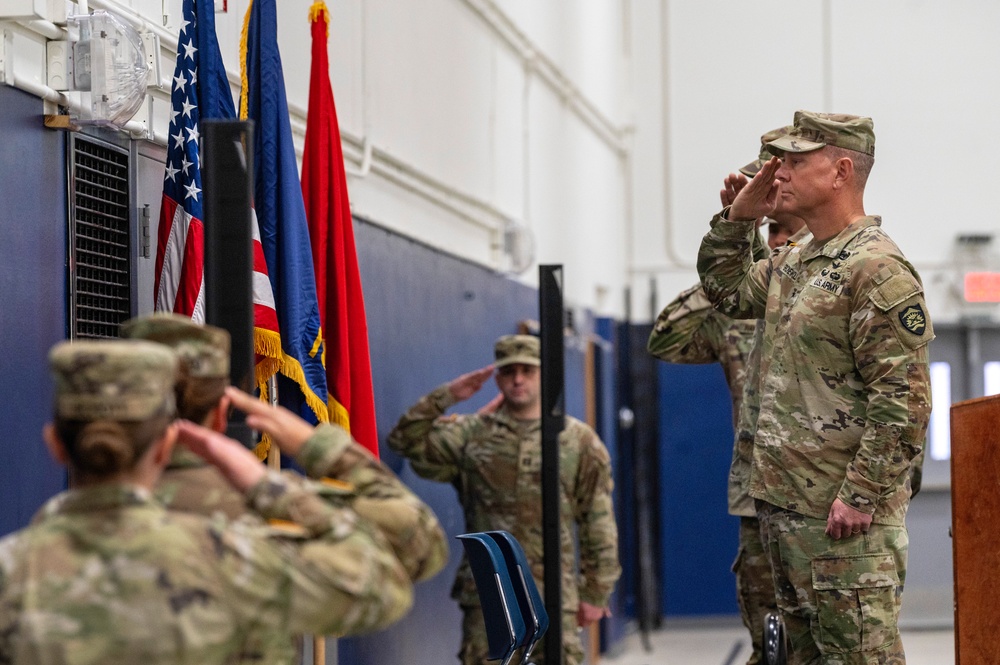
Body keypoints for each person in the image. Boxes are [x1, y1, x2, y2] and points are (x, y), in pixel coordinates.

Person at [0, 339, 413, 664]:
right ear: (165, 446)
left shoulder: (11, 570)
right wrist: (269, 486)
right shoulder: (228, 557)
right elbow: (382, 585)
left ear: (55, 444)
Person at [698, 111, 933, 664]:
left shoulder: (876, 269)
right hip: (786, 512)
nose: (777, 172)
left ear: (840, 172)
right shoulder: (796, 260)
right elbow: (726, 291)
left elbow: (902, 400)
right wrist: (737, 220)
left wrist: (861, 495)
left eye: (796, 161)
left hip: (842, 526)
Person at [120, 313, 449, 663]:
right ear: (221, 413)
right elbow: (421, 545)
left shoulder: (66, 522)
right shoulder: (268, 505)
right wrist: (321, 450)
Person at [647, 128, 807, 665]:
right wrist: (734, 258)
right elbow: (665, 339)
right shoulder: (738, 314)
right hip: (756, 493)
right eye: (774, 233)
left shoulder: (839, 290)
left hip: (823, 498)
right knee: (768, 635)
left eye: (790, 233)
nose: (781, 244)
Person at [386, 334, 621, 665]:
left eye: (528, 370)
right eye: (509, 371)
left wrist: (596, 592)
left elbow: (598, 522)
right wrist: (449, 395)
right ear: (497, 378)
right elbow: (403, 441)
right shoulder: (471, 434)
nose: (518, 379)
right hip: (490, 593)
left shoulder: (576, 440)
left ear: (544, 374)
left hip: (555, 592)